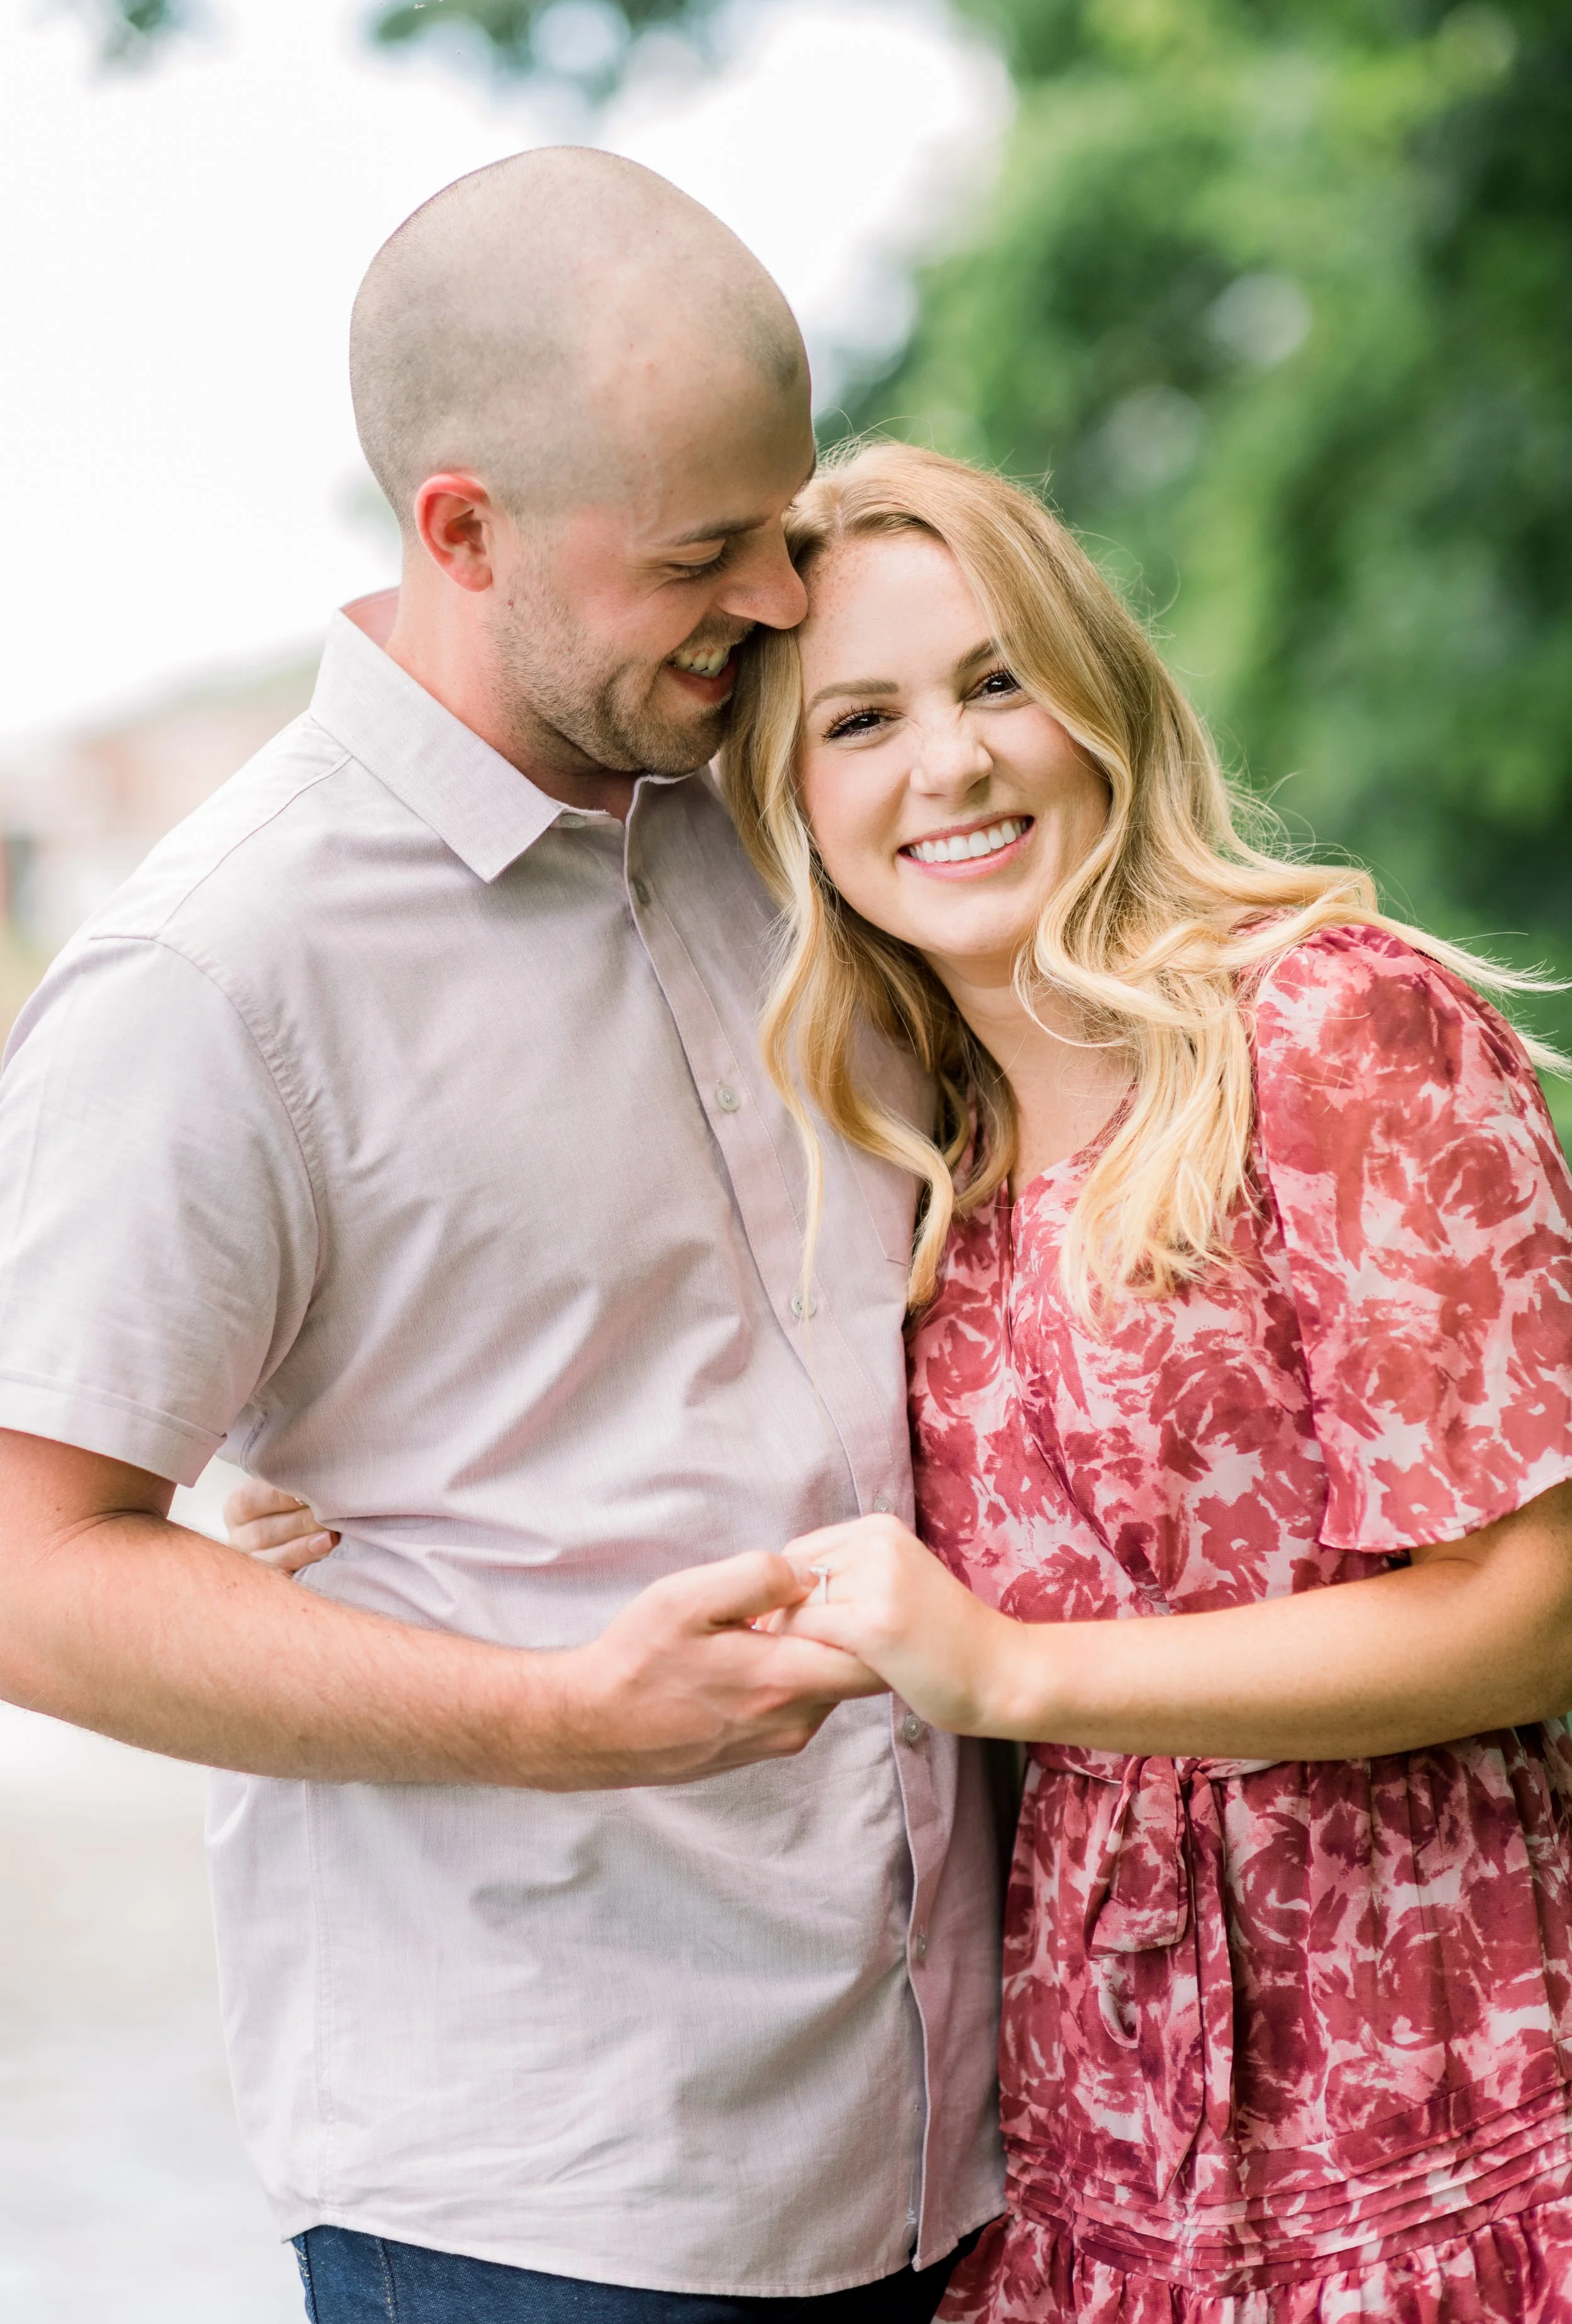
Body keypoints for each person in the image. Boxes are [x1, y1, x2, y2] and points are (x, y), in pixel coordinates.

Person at [0, 167, 1005, 2321]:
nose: (771, 596)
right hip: (553, 2200)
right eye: (692, 556)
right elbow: (28, 1562)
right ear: (462, 532)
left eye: (781, 522)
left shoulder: (794, 813)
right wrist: (562, 1712)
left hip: (962, 2134)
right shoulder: (217, 976)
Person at [707, 440, 1572, 2319]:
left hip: (1433, 2096)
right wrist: (334, 1508)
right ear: (790, 803)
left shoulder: (1332, 1029)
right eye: (861, 720)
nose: (947, 763)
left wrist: (1017, 1674)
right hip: (1103, 2148)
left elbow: (1533, 1609)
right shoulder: (916, 1164)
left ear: (1097, 698)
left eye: (996, 679)